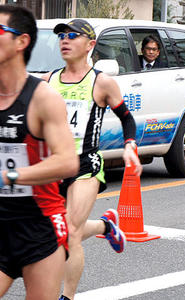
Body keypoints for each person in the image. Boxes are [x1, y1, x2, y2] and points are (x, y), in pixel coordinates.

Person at [41, 19, 143, 300]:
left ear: (90, 45)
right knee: (53, 232)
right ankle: (105, 226)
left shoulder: (101, 82)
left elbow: (127, 119)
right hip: (54, 165)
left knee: (71, 233)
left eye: (72, 35)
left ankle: (67, 297)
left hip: (85, 164)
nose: (65, 40)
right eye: (62, 35)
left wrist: (130, 146)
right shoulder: (48, 80)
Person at [0, 5, 79, 300]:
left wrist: (10, 176)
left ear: (21, 41)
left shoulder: (43, 98)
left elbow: (67, 161)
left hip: (39, 227)